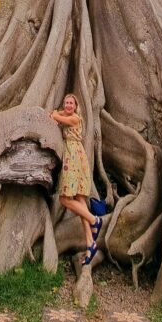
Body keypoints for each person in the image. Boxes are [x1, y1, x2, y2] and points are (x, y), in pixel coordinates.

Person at [50, 93, 102, 266]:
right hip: (74, 157)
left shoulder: (75, 118)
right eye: (66, 102)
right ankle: (90, 243)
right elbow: (58, 114)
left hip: (74, 158)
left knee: (65, 198)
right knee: (80, 201)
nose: (68, 105)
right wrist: (58, 114)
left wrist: (55, 114)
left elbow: (56, 115)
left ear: (76, 105)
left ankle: (95, 220)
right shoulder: (68, 115)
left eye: (71, 103)